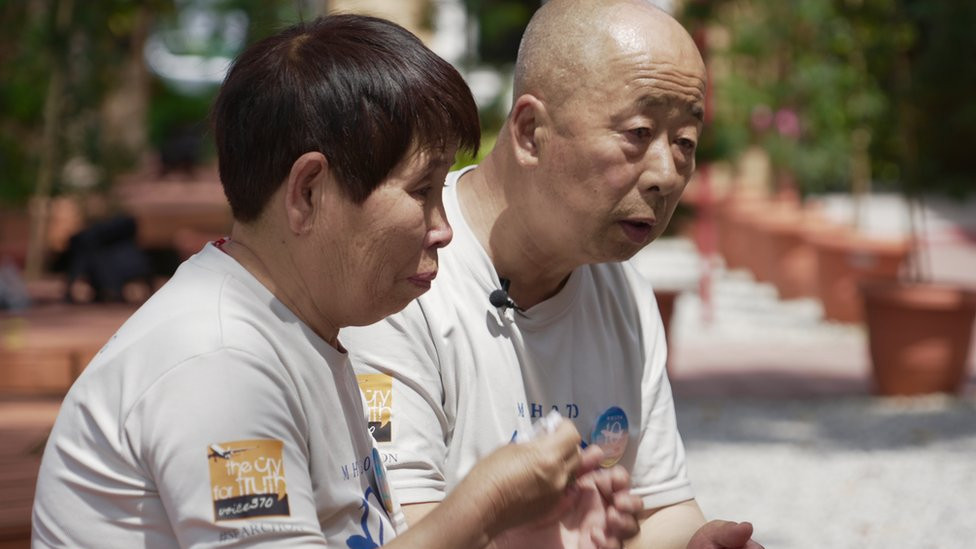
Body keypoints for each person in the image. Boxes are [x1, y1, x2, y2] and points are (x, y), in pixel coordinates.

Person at [31, 14, 642, 549]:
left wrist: (518, 537)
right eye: (422, 192)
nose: (444, 229)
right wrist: (481, 506)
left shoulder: (299, 331)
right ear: (308, 192)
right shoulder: (218, 364)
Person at [342, 2, 763, 548]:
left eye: (685, 142)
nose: (666, 173)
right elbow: (407, 529)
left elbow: (659, 508)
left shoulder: (624, 292)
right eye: (638, 132)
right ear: (529, 131)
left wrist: (695, 543)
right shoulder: (406, 274)